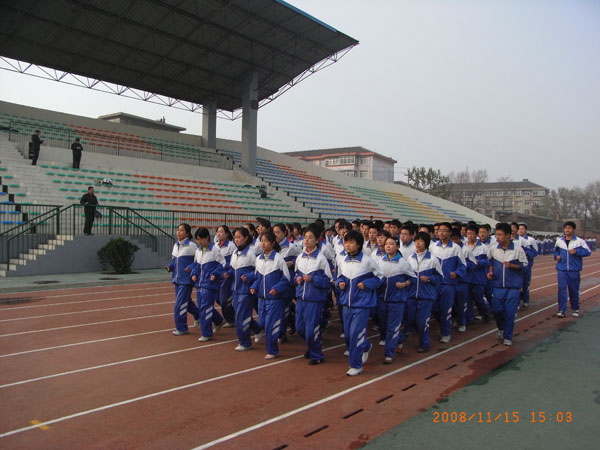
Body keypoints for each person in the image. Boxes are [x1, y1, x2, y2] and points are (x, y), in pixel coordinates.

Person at [335, 229, 383, 376]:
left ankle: (356, 365)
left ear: (359, 244)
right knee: (349, 335)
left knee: (356, 334)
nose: (348, 245)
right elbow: (338, 277)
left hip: (362, 304)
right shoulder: (342, 260)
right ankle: (366, 346)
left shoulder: (367, 261)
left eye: (351, 242)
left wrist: (367, 284)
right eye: (346, 242)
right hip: (346, 304)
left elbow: (380, 277)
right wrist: (339, 283)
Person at [295, 225, 334, 365]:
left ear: (317, 240)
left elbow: (328, 281)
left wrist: (313, 279)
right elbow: (296, 274)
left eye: (310, 237)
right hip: (301, 298)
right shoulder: (300, 257)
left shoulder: (321, 259)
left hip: (314, 299)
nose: (306, 240)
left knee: (311, 330)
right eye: (305, 237)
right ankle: (312, 346)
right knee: (300, 328)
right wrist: (297, 279)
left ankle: (317, 355)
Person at [250, 231, 291, 359]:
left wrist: (276, 289)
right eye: (262, 241)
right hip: (262, 298)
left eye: (266, 241)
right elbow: (257, 278)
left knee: (270, 325)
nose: (263, 243)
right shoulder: (258, 259)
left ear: (273, 243)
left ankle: (272, 351)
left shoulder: (278, 259)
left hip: (275, 299)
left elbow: (286, 279)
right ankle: (282, 333)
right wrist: (254, 287)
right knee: (262, 323)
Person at [487, 223, 528, 346]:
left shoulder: (518, 249)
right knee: (496, 310)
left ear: (508, 235)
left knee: (510, 313)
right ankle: (501, 328)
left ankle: (507, 336)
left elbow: (525, 266)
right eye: (496, 235)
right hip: (498, 285)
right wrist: (490, 272)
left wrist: (512, 266)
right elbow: (490, 262)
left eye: (500, 235)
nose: (497, 237)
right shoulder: (493, 249)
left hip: (513, 287)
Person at [377, 236, 414, 363]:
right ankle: (401, 338)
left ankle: (389, 354)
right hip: (382, 299)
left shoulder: (403, 263)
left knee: (392, 327)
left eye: (391, 244)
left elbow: (413, 279)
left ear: (397, 246)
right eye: (386, 244)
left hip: (397, 300)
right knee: (383, 326)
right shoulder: (380, 261)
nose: (388, 246)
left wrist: (404, 284)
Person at [404, 232, 443, 353]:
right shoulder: (410, 258)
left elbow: (440, 278)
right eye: (416, 241)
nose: (418, 243)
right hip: (411, 295)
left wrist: (430, 279)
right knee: (410, 319)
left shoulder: (433, 260)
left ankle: (424, 344)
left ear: (426, 243)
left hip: (425, 296)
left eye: (420, 241)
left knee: (422, 321)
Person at [227, 227, 263, 350]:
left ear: (246, 238)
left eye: (239, 237)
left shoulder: (251, 254)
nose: (236, 240)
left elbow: (258, 271)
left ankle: (245, 342)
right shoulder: (234, 253)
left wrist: (248, 276)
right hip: (235, 289)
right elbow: (232, 269)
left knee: (241, 316)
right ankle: (257, 329)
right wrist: (228, 273)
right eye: (235, 238)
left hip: (246, 290)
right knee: (240, 314)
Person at [430, 222, 466, 343]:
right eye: (439, 230)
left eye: (444, 230)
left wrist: (456, 273)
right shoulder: (433, 247)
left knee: (446, 309)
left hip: (448, 284)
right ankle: (444, 324)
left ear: (450, 233)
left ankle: (445, 333)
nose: (441, 233)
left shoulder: (455, 248)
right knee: (434, 307)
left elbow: (463, 265)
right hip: (435, 283)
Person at [189, 227, 226, 342]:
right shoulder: (198, 251)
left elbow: (222, 264)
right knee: (203, 307)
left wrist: (215, 274)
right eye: (197, 239)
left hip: (210, 285)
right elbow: (196, 266)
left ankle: (206, 333)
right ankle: (219, 321)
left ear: (207, 238)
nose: (199, 242)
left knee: (205, 309)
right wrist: (194, 274)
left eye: (201, 239)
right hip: (200, 284)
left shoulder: (215, 250)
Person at [166, 224, 200, 336]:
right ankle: (199, 315)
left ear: (187, 233)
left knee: (180, 304)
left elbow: (198, 262)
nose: (178, 232)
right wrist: (170, 266)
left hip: (186, 280)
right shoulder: (176, 245)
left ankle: (182, 328)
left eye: (181, 230)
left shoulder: (192, 246)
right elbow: (174, 261)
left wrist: (191, 268)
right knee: (187, 302)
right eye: (178, 230)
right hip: (177, 279)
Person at [554, 221, 591, 318]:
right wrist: (556, 256)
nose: (567, 230)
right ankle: (561, 310)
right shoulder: (559, 241)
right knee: (561, 290)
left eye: (569, 228)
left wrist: (577, 251)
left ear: (573, 230)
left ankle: (575, 308)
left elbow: (588, 252)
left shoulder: (579, 241)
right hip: (562, 269)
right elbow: (555, 251)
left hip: (574, 270)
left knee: (573, 290)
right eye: (566, 228)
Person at [215, 225, 236, 327]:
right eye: (217, 232)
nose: (219, 234)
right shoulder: (215, 246)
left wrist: (226, 267)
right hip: (216, 276)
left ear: (227, 234)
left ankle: (231, 319)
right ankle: (232, 316)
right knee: (217, 299)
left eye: (221, 232)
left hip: (226, 277)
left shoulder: (231, 246)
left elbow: (233, 262)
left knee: (223, 300)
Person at [517, 223, 538, 308]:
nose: (520, 230)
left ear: (525, 230)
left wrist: (527, 254)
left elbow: (535, 252)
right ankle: (517, 301)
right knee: (517, 284)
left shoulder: (530, 240)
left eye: (522, 229)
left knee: (525, 284)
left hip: (527, 265)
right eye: (519, 229)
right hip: (517, 265)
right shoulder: (514, 240)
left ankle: (526, 300)